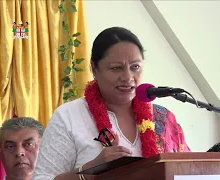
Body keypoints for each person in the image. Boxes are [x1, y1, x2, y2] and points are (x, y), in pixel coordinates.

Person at [33, 27, 190, 180]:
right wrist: (92, 169)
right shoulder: (69, 116)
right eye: (116, 68)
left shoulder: (163, 118)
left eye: (135, 67)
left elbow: (188, 170)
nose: (128, 77)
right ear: (94, 69)